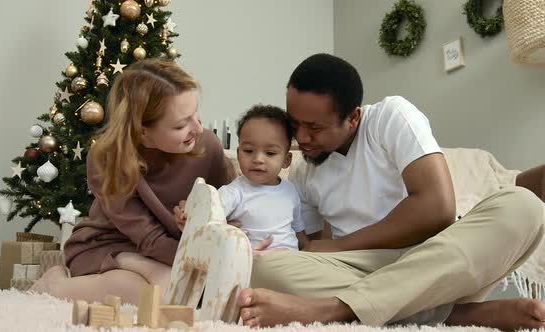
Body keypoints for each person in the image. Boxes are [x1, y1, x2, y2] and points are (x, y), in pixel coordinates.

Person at [237, 53, 545, 331]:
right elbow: (313, 252)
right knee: (264, 267)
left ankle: (333, 310)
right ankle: (454, 315)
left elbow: (437, 209)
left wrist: (342, 246)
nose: (301, 138)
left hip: (436, 259)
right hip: (363, 270)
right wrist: (243, 235)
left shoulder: (390, 118)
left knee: (525, 207)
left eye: (314, 128)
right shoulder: (303, 170)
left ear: (353, 117)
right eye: (294, 124)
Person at [30, 59, 236, 305]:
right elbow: (149, 239)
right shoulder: (108, 158)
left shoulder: (208, 146)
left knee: (173, 289)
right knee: (159, 294)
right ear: (142, 131)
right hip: (107, 245)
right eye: (181, 124)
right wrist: (199, 261)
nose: (198, 128)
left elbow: (227, 211)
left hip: (171, 250)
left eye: (196, 114)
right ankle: (56, 285)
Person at [216, 105, 309, 250]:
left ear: (286, 160)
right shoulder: (234, 192)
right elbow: (208, 218)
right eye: (248, 151)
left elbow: (299, 232)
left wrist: (311, 253)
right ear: (239, 153)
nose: (258, 159)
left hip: (291, 260)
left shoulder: (290, 191)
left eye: (270, 153)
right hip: (253, 261)